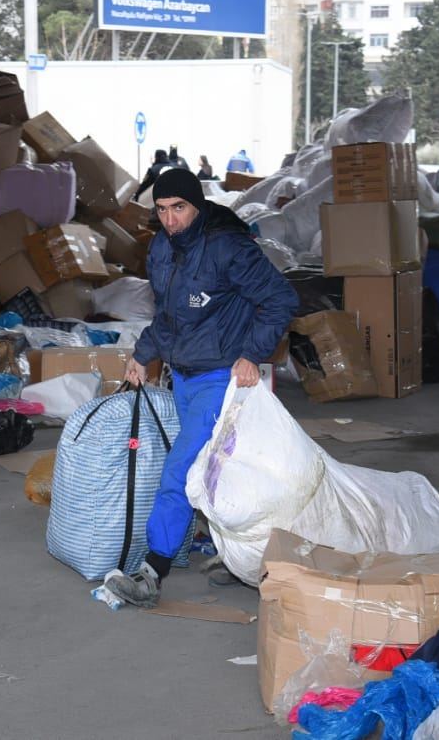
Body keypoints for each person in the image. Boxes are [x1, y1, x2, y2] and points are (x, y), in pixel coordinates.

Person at [103, 168, 299, 608]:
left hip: (221, 379)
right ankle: (243, 558)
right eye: (161, 210)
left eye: (179, 208)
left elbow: (281, 299)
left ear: (197, 205)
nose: (170, 219)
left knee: (180, 470)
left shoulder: (227, 248)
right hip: (184, 377)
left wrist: (251, 353)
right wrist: (143, 353)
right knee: (221, 470)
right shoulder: (161, 249)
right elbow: (168, 316)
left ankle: (152, 572)